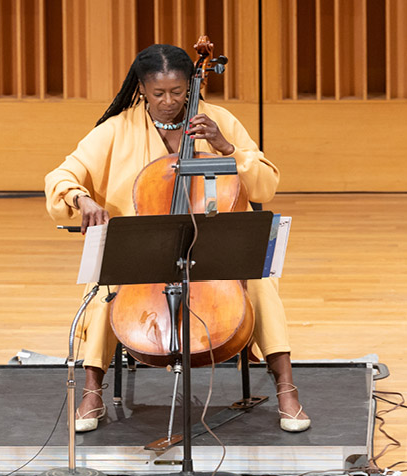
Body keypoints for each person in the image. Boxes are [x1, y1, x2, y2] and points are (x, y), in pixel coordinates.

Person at [44, 43, 309, 434]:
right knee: (105, 286)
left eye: (178, 92)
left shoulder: (218, 120)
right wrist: (81, 199)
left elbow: (265, 186)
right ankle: (92, 391)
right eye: (158, 93)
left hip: (213, 248)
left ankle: (287, 389)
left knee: (261, 279)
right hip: (144, 252)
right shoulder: (117, 129)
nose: (168, 101)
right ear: (141, 89)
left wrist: (226, 147)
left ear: (190, 87)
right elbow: (61, 176)